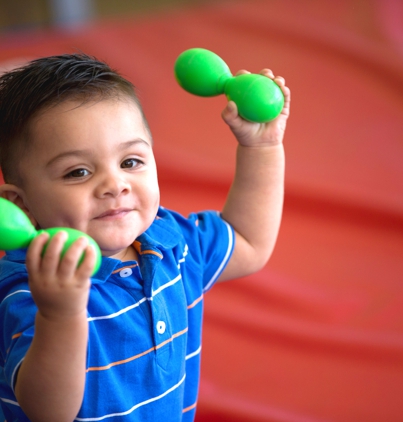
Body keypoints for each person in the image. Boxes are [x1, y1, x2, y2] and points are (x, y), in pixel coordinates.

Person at [0, 53, 290, 421]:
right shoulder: (31, 290)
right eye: (78, 172)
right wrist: (60, 315)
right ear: (22, 205)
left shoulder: (169, 242)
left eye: (130, 162)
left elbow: (248, 243)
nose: (114, 185)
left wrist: (261, 148)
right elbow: (48, 412)